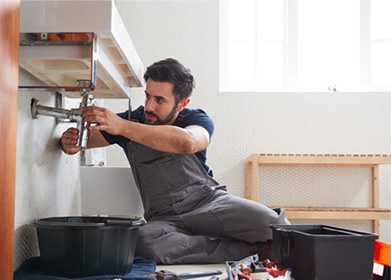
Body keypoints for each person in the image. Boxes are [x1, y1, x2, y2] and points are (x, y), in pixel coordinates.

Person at [60, 58, 290, 264]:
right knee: (142, 241)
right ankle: (248, 249)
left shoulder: (196, 119)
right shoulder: (133, 120)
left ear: (182, 104)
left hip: (208, 203)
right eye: (148, 96)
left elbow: (189, 142)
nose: (149, 106)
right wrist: (69, 142)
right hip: (164, 217)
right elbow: (84, 141)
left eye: (160, 100)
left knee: (276, 226)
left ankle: (211, 240)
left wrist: (123, 127)